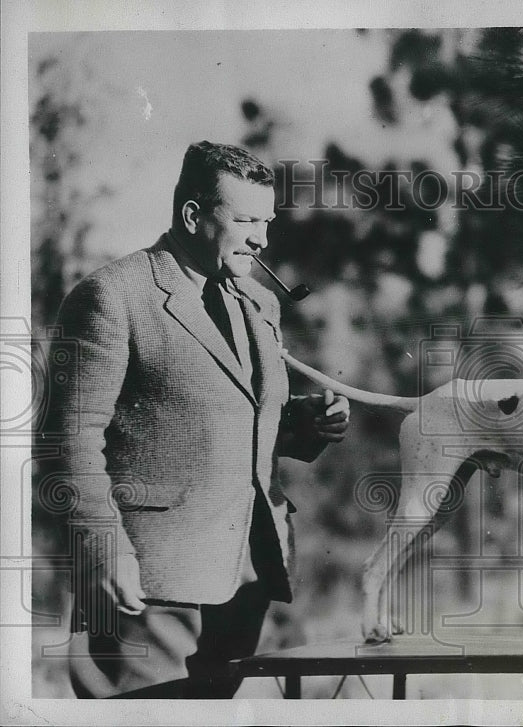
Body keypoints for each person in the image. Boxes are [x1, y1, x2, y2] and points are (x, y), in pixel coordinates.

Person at [46, 141, 350, 698]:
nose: (263, 237)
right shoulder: (112, 297)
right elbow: (68, 441)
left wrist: (306, 422)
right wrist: (105, 547)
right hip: (147, 578)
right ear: (193, 215)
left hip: (246, 571)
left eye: (268, 220)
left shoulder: (260, 304)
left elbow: (230, 419)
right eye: (246, 220)